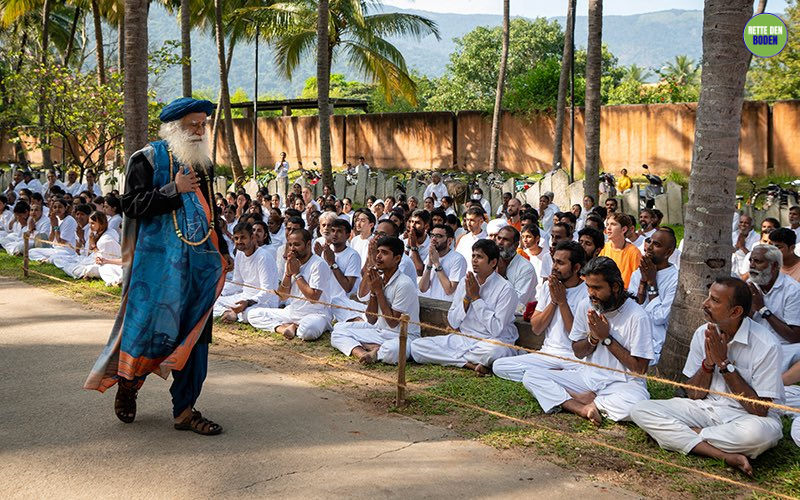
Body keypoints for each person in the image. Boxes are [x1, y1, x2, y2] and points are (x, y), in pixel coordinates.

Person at [85, 97, 231, 436]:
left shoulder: (204, 163)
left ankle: (185, 411)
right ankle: (128, 383)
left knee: (196, 337)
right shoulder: (147, 158)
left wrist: (222, 249)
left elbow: (210, 211)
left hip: (198, 267)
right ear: (174, 127)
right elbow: (131, 205)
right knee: (146, 332)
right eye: (192, 124)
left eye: (202, 124)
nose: (199, 130)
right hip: (155, 270)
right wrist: (173, 190)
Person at [630, 277, 784, 476]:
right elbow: (694, 394)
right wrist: (708, 364)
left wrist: (724, 365)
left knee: (763, 435)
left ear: (736, 311)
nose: (705, 303)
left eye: (715, 300)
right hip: (704, 408)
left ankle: (684, 434)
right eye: (708, 297)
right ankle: (724, 455)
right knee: (641, 409)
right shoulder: (703, 332)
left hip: (746, 418)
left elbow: (761, 410)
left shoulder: (767, 345)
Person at [522, 257, 654, 424]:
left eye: (597, 288)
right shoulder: (587, 305)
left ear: (615, 287)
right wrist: (592, 338)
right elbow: (577, 351)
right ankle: (582, 407)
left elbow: (640, 369)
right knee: (531, 376)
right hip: (588, 377)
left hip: (622, 385)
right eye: (588, 287)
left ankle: (585, 399)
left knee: (636, 406)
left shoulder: (638, 316)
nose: (591, 293)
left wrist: (606, 338)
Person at [411, 239, 518, 375]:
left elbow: (496, 330)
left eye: (479, 257)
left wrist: (476, 298)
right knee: (417, 347)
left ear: (493, 262)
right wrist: (467, 299)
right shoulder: (465, 282)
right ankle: (470, 364)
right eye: (473, 256)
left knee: (495, 352)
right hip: (464, 339)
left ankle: (465, 360)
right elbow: (453, 322)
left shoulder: (506, 289)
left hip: (490, 342)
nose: (474, 260)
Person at [494, 241, 588, 382]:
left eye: (560, 263)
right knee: (499, 366)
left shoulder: (587, 293)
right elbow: (537, 328)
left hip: (573, 359)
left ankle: (544, 375)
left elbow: (577, 336)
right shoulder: (547, 287)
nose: (554, 267)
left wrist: (562, 302)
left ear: (576, 268)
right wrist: (554, 302)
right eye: (554, 262)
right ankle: (551, 375)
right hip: (547, 354)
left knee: (587, 375)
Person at [331, 236, 420, 365]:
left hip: (402, 336)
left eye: (384, 253)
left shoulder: (404, 284)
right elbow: (372, 319)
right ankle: (365, 352)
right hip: (380, 331)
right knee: (338, 331)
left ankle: (373, 349)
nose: (378, 256)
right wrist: (373, 291)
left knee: (392, 351)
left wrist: (378, 291)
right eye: (378, 252)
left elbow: (392, 323)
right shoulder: (380, 278)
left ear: (397, 259)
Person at [245, 229, 335, 341]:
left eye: (297, 244)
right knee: (252, 314)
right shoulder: (292, 262)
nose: (292, 248)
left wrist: (297, 274)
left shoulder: (319, 264)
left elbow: (313, 298)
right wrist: (288, 274)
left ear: (308, 244)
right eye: (290, 244)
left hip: (316, 314)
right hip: (293, 311)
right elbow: (283, 296)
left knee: (308, 332)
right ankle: (283, 328)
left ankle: (296, 327)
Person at [627, 229, 678, 364]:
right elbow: (631, 309)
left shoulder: (675, 278)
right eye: (649, 241)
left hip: (656, 343)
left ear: (668, 252)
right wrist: (642, 284)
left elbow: (659, 317)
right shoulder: (638, 273)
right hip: (632, 337)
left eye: (657, 244)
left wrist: (651, 282)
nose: (649, 247)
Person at [746, 244, 800, 372]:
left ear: (774, 266)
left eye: (758, 261)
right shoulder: (751, 285)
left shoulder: (792, 291)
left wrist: (762, 309)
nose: (752, 265)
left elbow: (795, 336)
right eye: (751, 260)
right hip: (752, 344)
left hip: (782, 348)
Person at [214, 222, 279, 322]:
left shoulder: (263, 257)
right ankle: (229, 313)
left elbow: (267, 291)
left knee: (251, 314)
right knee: (213, 301)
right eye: (236, 238)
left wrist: (248, 302)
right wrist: (220, 292)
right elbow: (238, 283)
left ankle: (235, 313)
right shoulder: (240, 253)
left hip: (263, 302)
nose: (239, 241)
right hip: (245, 296)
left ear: (252, 237)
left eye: (243, 237)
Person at [494, 226, 536, 313]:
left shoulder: (526, 269)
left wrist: (502, 276)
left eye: (505, 240)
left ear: (516, 245)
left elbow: (517, 304)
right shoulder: (490, 261)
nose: (500, 243)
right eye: (499, 238)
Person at [419, 224, 467, 300]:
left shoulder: (458, 259)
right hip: (433, 304)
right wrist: (429, 264)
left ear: (449, 240)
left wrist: (437, 263)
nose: (433, 239)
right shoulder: (431, 256)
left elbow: (449, 290)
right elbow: (422, 288)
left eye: (438, 236)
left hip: (448, 306)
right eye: (432, 235)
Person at [599, 213, 641, 288]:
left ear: (624, 229)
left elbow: (637, 280)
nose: (608, 228)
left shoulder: (634, 252)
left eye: (613, 224)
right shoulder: (603, 248)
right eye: (607, 224)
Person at [455, 207, 487, 271]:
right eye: (467, 220)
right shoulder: (463, 239)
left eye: (472, 220)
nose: (468, 223)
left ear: (481, 221)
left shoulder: (487, 239)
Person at [403, 209, 431, 276]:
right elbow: (401, 266)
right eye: (412, 221)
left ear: (426, 226)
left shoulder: (431, 247)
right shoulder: (404, 242)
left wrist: (413, 246)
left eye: (417, 223)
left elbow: (419, 270)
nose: (412, 225)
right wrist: (407, 247)